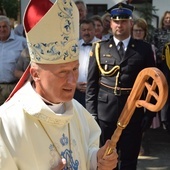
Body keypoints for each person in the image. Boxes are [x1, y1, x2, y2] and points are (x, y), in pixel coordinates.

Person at [0, 0, 118, 170]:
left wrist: (96, 159)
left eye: (75, 69)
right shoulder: (7, 122)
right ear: (35, 74)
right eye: (62, 72)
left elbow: (86, 151)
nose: (72, 80)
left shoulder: (77, 111)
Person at [86, 2, 155, 170]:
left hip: (133, 113)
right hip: (105, 114)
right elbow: (92, 85)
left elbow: (152, 85)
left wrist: (150, 115)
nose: (120, 25)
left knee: (130, 160)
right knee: (106, 159)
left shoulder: (143, 50)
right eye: (116, 21)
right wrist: (92, 114)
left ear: (131, 23)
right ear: (110, 24)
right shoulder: (99, 48)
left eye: (124, 21)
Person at [0, 15, 27, 105]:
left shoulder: (22, 42)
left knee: (12, 116)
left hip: (13, 87)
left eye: (4, 26)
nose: (2, 29)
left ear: (10, 27)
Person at [151, 11, 170, 133]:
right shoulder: (157, 32)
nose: (168, 20)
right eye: (167, 18)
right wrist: (161, 55)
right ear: (163, 19)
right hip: (162, 64)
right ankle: (163, 119)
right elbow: (153, 46)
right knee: (164, 90)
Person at [74, 19, 100, 107]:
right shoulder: (74, 47)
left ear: (94, 30)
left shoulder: (101, 45)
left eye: (89, 29)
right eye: (84, 30)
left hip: (95, 91)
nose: (86, 32)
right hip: (76, 90)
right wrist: (75, 84)